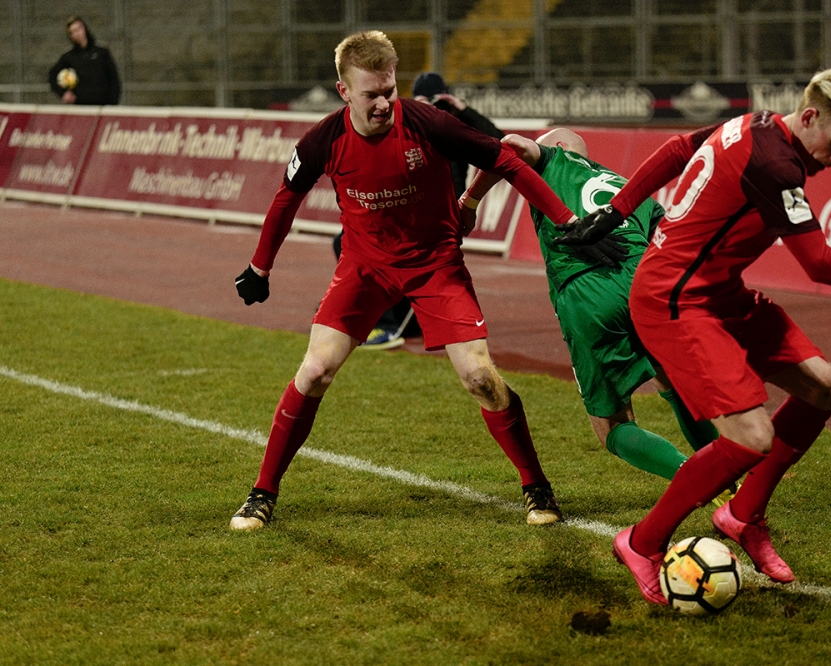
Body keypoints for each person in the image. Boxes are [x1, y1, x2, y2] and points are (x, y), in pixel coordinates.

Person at [555, 65, 831, 604]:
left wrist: (617, 211)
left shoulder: (757, 124)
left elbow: (678, 149)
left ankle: (743, 514)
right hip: (675, 302)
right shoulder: (775, 164)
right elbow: (818, 263)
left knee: (824, 386)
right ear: (811, 116)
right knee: (751, 437)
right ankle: (641, 542)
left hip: (718, 293)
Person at [230, 30, 580, 531]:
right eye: (371, 94)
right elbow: (287, 198)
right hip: (364, 269)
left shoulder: (427, 122)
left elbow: (505, 159)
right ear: (343, 91)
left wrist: (565, 219)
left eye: (389, 91)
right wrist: (259, 267)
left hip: (435, 265)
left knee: (480, 378)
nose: (383, 104)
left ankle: (536, 486)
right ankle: (262, 493)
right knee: (314, 372)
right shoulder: (322, 140)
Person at [461, 128, 723, 485]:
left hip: (589, 291)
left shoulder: (554, 160)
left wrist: (469, 201)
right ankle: (728, 475)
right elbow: (675, 241)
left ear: (558, 146)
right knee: (675, 383)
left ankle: (697, 479)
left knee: (612, 425)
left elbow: (510, 146)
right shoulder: (628, 185)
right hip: (649, 284)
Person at [336, 72, 505, 351]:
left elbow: (500, 144)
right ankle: (391, 317)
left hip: (440, 213)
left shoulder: (453, 124)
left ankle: (389, 325)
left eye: (436, 99)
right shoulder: (405, 120)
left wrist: (464, 111)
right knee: (349, 241)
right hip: (406, 206)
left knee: (392, 253)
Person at [48, 16, 121, 106]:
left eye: (78, 29)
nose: (76, 34)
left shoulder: (102, 52)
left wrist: (113, 103)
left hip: (103, 106)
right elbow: (52, 75)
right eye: (72, 32)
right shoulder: (69, 57)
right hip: (81, 107)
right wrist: (63, 93)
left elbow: (114, 78)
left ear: (84, 28)